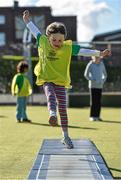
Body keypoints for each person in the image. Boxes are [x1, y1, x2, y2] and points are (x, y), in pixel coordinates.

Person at [23, 10, 111, 148]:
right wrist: (27, 21)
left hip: (61, 81)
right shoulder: (43, 42)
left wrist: (99, 53)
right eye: (54, 40)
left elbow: (84, 51)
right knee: (50, 95)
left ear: (64, 39)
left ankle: (65, 136)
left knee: (63, 109)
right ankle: (52, 114)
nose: (57, 43)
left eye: (60, 40)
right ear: (48, 37)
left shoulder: (67, 47)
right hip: (47, 79)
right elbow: (35, 31)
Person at [84, 56, 107, 121]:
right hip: (93, 86)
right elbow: (86, 75)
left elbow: (105, 74)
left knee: (98, 102)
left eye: (98, 57)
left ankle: (97, 116)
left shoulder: (102, 64)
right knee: (93, 101)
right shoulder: (90, 64)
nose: (97, 58)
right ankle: (92, 116)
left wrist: (102, 80)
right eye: (96, 57)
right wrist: (93, 79)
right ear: (93, 57)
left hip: (100, 86)